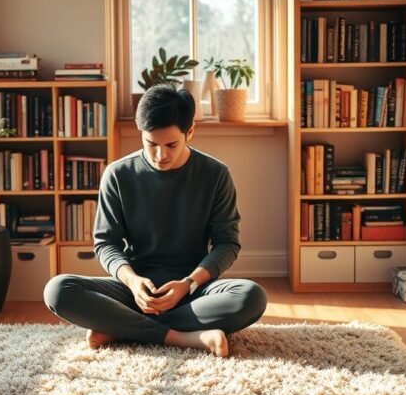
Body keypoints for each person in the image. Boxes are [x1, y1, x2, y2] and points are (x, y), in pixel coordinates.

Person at [43, 84, 267, 357]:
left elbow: (227, 244)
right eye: (151, 144)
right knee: (58, 290)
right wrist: (133, 282)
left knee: (251, 297)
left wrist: (189, 283)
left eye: (171, 144)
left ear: (190, 132)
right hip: (134, 291)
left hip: (193, 290)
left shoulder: (215, 174)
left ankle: (121, 327)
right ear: (141, 134)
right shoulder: (118, 174)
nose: (161, 155)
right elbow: (106, 243)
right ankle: (181, 337)